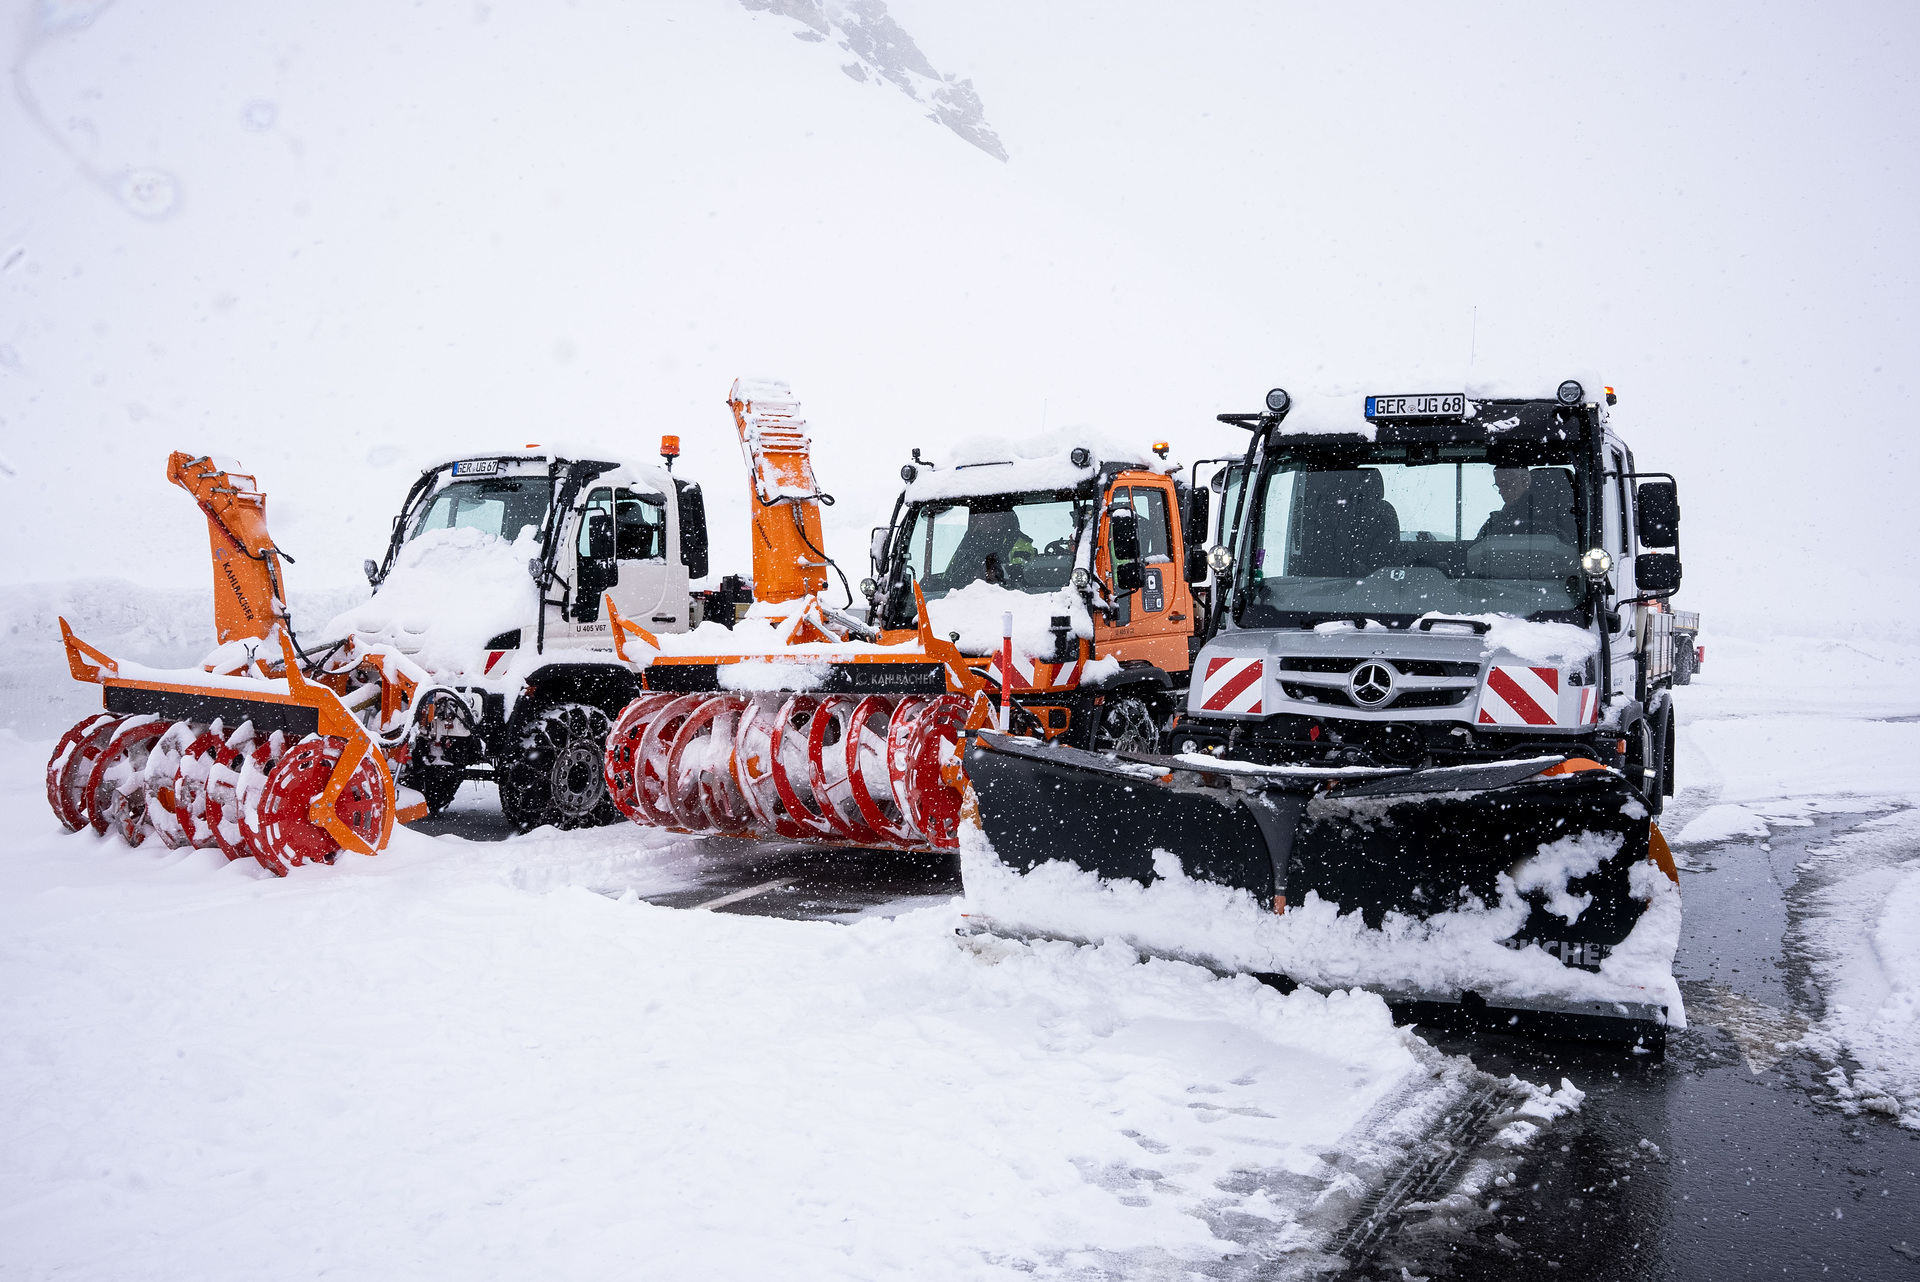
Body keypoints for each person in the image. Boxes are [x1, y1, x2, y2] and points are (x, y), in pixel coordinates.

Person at [1477, 467, 1577, 543]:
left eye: (1505, 484)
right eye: (1498, 486)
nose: (1500, 492)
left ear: (1524, 481)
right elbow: (1474, 552)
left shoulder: (1561, 518)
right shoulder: (1494, 523)